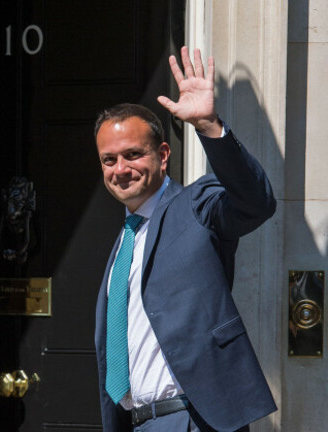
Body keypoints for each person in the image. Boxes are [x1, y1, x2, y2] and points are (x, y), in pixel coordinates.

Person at [93, 46, 277, 431]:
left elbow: (255, 203)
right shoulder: (124, 242)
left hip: (192, 419)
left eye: (132, 155)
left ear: (162, 155)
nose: (121, 169)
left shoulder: (196, 205)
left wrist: (209, 126)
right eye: (109, 160)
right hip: (138, 422)